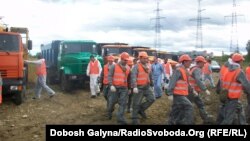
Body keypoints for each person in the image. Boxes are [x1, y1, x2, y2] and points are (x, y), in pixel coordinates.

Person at [218, 53, 250, 124]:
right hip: (233, 98)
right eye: (242, 61)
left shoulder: (228, 69)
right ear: (240, 61)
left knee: (240, 109)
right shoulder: (239, 71)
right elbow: (247, 85)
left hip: (226, 96)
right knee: (228, 119)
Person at [167, 54, 194, 125]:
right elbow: (172, 81)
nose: (190, 63)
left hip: (182, 94)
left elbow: (186, 83)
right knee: (189, 107)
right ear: (184, 62)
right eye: (189, 62)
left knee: (177, 110)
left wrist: (192, 90)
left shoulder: (184, 71)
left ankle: (172, 123)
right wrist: (169, 93)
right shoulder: (179, 70)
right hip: (178, 94)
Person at [130, 52, 155, 124]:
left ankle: (141, 109)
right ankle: (134, 118)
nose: (146, 60)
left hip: (147, 87)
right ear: (140, 58)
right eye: (144, 58)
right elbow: (133, 76)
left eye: (147, 58)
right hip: (139, 88)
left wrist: (152, 84)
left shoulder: (148, 66)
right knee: (136, 103)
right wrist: (134, 86)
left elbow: (150, 76)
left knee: (152, 99)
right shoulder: (136, 66)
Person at [188, 56, 213, 124]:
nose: (204, 64)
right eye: (203, 63)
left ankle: (204, 118)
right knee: (193, 105)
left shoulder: (193, 68)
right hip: (193, 91)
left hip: (192, 90)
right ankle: (190, 120)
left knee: (199, 104)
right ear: (199, 62)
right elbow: (198, 80)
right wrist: (205, 89)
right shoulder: (197, 69)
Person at [107, 52, 130, 124]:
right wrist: (111, 85)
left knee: (123, 103)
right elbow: (109, 76)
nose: (126, 61)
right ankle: (109, 111)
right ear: (121, 59)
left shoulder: (128, 68)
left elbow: (128, 79)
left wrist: (129, 88)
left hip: (124, 88)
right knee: (112, 102)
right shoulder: (114, 66)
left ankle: (120, 118)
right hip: (115, 88)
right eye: (124, 60)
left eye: (127, 60)